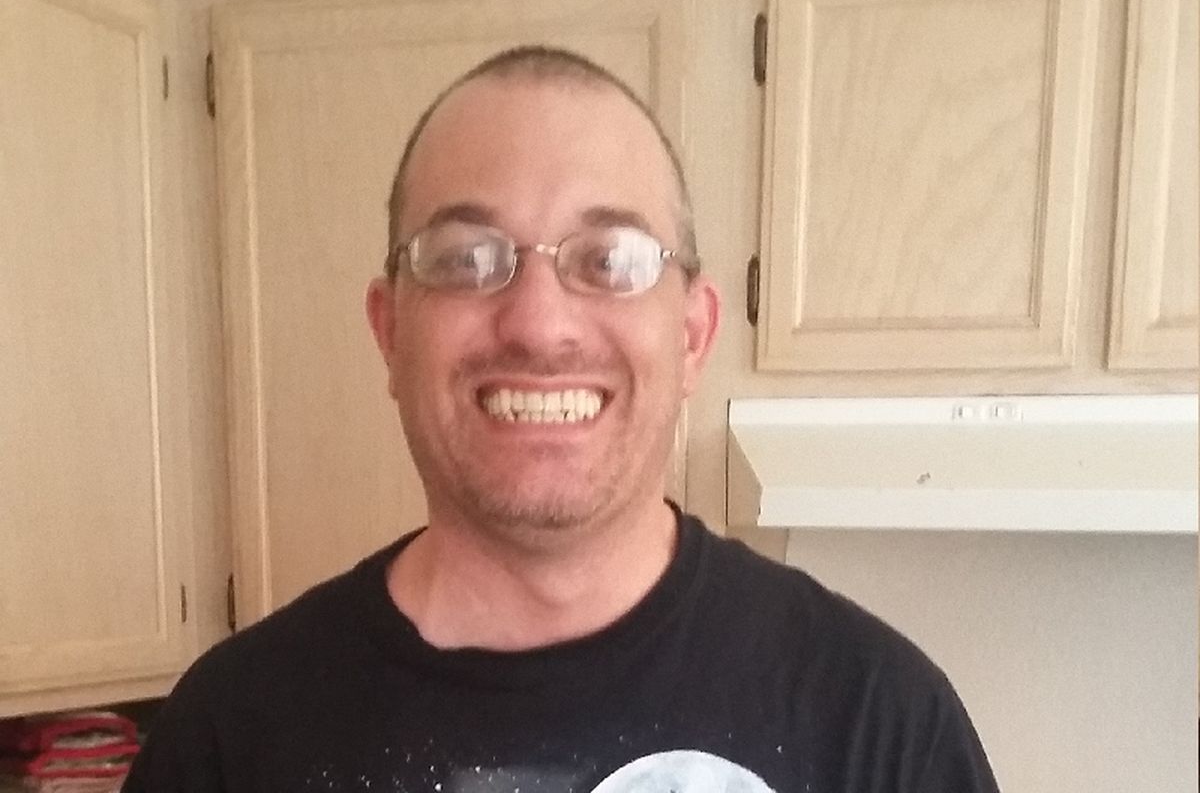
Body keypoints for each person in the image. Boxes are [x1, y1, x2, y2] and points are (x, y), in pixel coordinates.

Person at [123, 46, 999, 793]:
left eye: (610, 260)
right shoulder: (226, 738)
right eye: (467, 260)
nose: (540, 324)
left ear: (693, 335)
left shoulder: (882, 725)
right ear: (391, 332)